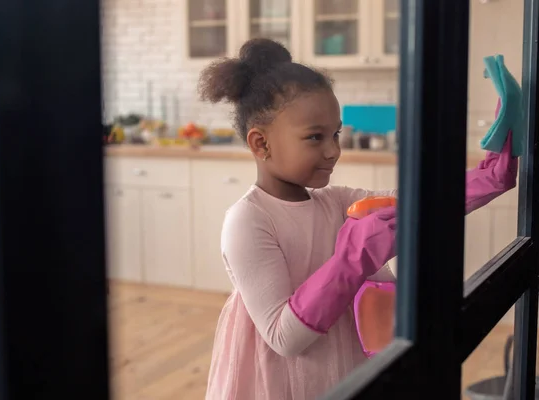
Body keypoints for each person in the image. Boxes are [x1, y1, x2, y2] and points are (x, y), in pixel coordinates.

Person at [198, 38, 518, 400]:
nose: (334, 150)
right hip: (284, 381)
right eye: (315, 137)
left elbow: (414, 205)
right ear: (261, 144)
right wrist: (350, 261)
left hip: (344, 364)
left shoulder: (336, 202)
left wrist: (488, 177)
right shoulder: (248, 220)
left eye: (335, 134)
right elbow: (284, 338)